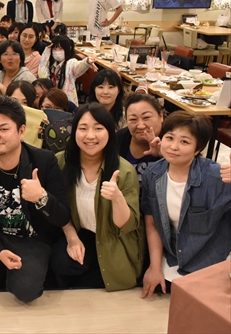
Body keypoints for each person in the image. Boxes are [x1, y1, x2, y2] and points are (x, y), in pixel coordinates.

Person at [0, 95, 70, 303]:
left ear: (21, 131)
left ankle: (14, 273)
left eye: (3, 129)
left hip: (32, 239)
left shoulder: (44, 161)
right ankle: (1, 268)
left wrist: (41, 198)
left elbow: (63, 216)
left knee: (27, 292)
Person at [51, 103, 144, 291]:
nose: (90, 136)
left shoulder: (124, 171)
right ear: (74, 131)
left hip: (112, 238)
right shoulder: (61, 162)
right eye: (83, 128)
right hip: (78, 231)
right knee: (62, 264)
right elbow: (57, 208)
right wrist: (71, 237)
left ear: (109, 132)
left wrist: (117, 198)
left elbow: (126, 226)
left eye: (98, 128)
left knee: (101, 281)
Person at [140, 112, 231, 299]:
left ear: (197, 149)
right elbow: (152, 223)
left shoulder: (217, 178)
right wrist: (154, 267)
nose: (174, 146)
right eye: (169, 138)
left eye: (184, 142)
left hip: (212, 261)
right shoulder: (153, 174)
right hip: (173, 258)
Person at [116, 93, 164, 185]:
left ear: (161, 116)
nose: (141, 126)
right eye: (133, 119)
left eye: (146, 117)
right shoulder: (118, 140)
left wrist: (165, 155)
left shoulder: (174, 141)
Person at [38, 35, 97, 106]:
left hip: (67, 104)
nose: (57, 52)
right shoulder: (51, 66)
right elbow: (42, 75)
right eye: (55, 49)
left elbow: (78, 66)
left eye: (61, 49)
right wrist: (46, 52)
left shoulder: (70, 63)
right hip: (52, 102)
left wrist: (86, 62)